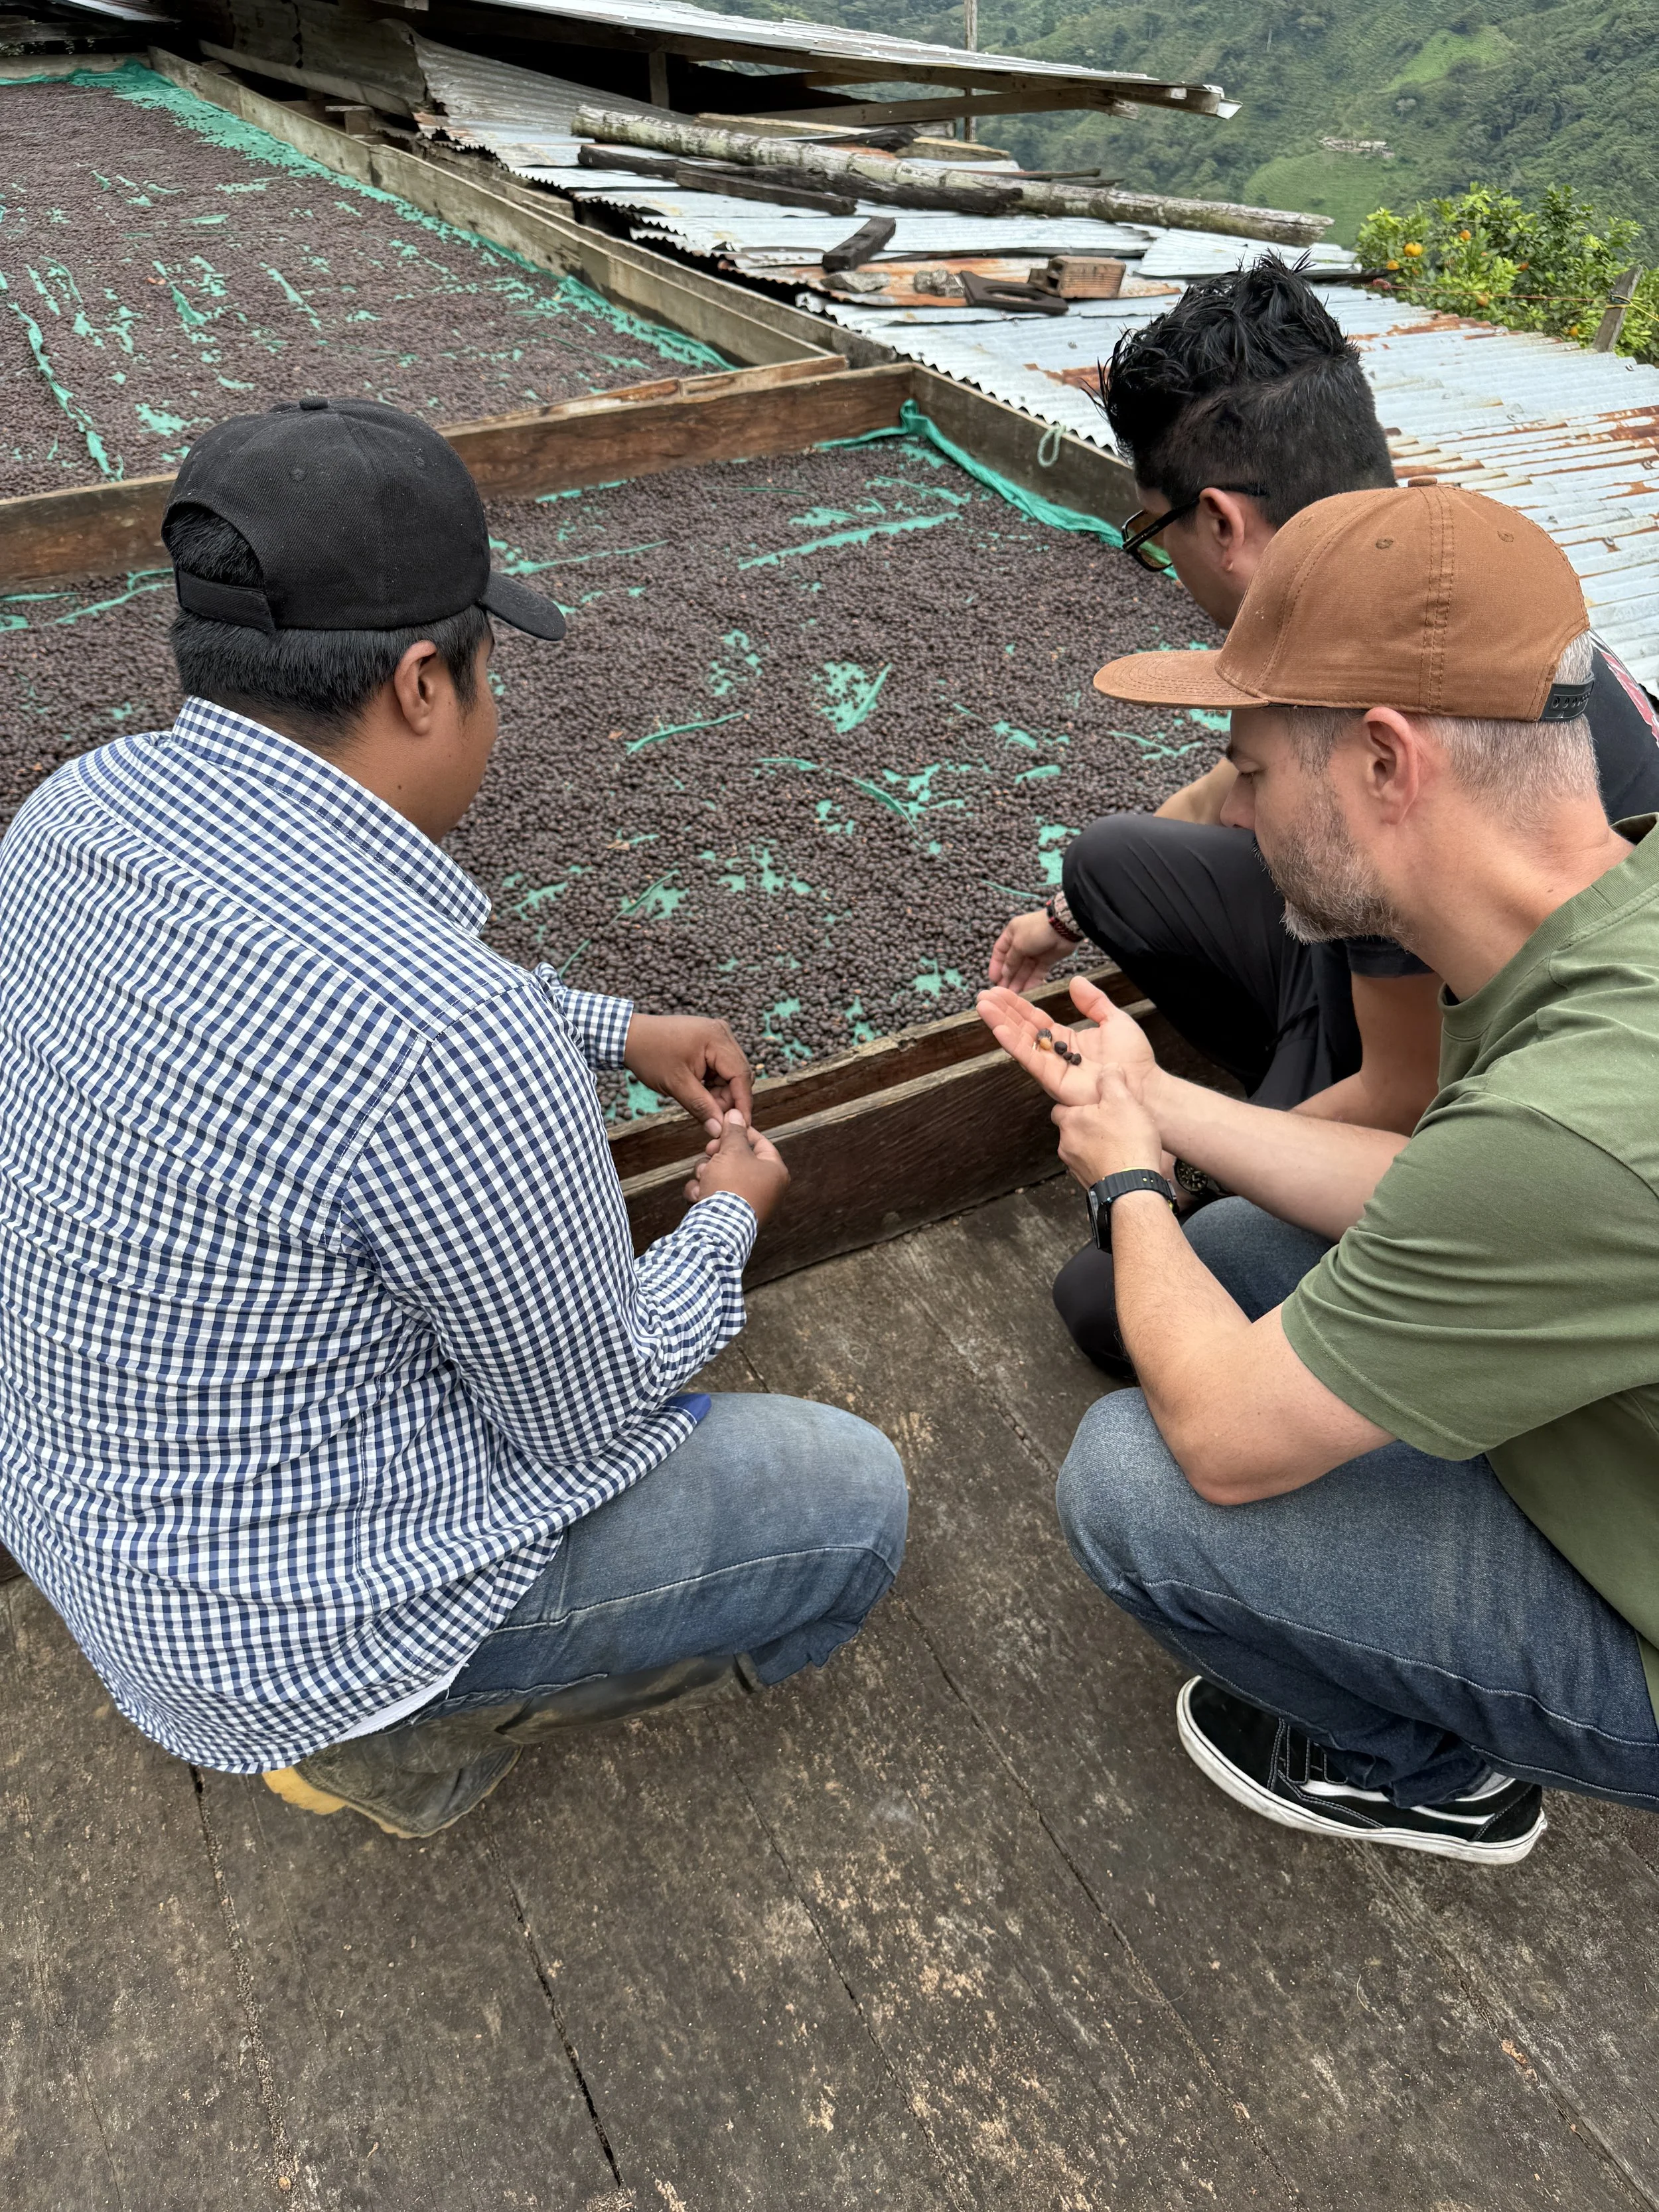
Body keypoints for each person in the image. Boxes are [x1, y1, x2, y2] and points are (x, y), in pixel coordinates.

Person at [0, 398, 906, 1840]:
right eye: (490, 666)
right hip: (287, 1637)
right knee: (851, 1501)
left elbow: (305, 1013)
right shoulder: (452, 1036)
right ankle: (395, 1742)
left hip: (88, 1527)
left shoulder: (74, 813)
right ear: (424, 683)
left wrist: (609, 1027)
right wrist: (726, 1217)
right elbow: (589, 1412)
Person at [979, 482, 1659, 1864]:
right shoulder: (1594, 929)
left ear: (1385, 762)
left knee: (1137, 1485)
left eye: (1251, 769)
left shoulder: (1564, 1129)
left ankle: (1434, 1777)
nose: (1234, 810)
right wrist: (1153, 1099)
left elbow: (1225, 1444)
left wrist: (1127, 1182)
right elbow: (1434, 1188)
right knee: (1235, 1254)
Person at [985, 259, 1659, 1370]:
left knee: (1114, 1298)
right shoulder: (1416, 570)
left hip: (1457, 1053)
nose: (1161, 564)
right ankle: (1281, 1084)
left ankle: (1279, 1111)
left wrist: (1159, 1173)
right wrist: (1063, 916)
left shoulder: (1401, 781)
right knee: (1109, 861)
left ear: (1219, 520)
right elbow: (1233, 783)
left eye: (1152, 534)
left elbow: (1406, 1093)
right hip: (1400, 973)